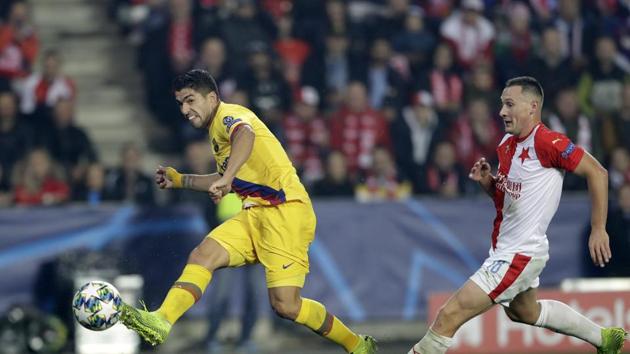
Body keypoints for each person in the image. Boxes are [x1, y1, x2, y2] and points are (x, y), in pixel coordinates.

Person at [119, 69, 377, 354]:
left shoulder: (230, 116)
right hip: (255, 213)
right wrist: (180, 179)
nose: (185, 109)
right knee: (202, 255)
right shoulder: (217, 134)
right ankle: (161, 320)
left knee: (286, 306)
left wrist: (227, 177)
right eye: (180, 103)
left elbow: (246, 135)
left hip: (285, 212)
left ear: (212, 97)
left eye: (190, 100)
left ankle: (357, 345)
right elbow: (223, 178)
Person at [408, 76, 627, 354]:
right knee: (525, 312)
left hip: (519, 254)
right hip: (508, 248)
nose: (501, 112)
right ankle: (606, 338)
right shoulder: (507, 144)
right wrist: (489, 182)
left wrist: (599, 228)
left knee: (448, 316)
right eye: (501, 104)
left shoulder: (549, 141)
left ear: (532, 107)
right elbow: (507, 200)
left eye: (509, 104)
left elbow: (598, 172)